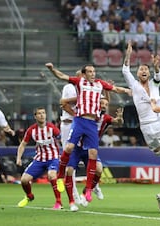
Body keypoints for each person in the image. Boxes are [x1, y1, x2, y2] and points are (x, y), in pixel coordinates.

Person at [45, 62, 129, 203]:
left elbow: (114, 89)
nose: (92, 74)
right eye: (89, 71)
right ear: (84, 74)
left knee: (93, 154)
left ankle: (89, 189)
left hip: (91, 123)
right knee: (69, 147)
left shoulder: (99, 84)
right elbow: (62, 76)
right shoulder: (79, 82)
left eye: (94, 71)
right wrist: (52, 69)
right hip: (79, 120)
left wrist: (128, 91)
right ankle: (60, 176)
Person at [64, 97, 124, 209]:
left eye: (106, 104)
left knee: (99, 169)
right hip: (77, 148)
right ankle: (71, 201)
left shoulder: (105, 118)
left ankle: (87, 191)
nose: (104, 106)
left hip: (90, 149)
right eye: (101, 103)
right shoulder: (86, 115)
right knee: (69, 171)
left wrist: (120, 118)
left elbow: (118, 123)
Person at [122, 40, 160, 156]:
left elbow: (158, 76)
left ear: (149, 74)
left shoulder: (154, 84)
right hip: (145, 125)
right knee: (157, 151)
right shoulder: (134, 85)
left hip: (158, 121)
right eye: (141, 69)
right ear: (137, 74)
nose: (144, 71)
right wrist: (128, 55)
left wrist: (156, 66)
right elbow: (125, 71)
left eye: (146, 69)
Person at [16, 107, 63, 210]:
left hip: (53, 157)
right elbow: (23, 144)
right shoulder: (31, 130)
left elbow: (62, 139)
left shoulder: (52, 128)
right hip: (39, 159)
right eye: (39, 113)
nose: (42, 115)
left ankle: (59, 202)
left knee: (51, 175)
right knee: (24, 180)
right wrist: (18, 158)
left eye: (43, 113)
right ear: (35, 116)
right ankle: (29, 196)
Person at [59, 69, 82, 204]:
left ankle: (93, 186)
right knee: (69, 158)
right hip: (68, 124)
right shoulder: (69, 87)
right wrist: (76, 116)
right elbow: (63, 103)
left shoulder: (87, 88)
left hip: (82, 124)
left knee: (86, 153)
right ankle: (73, 192)